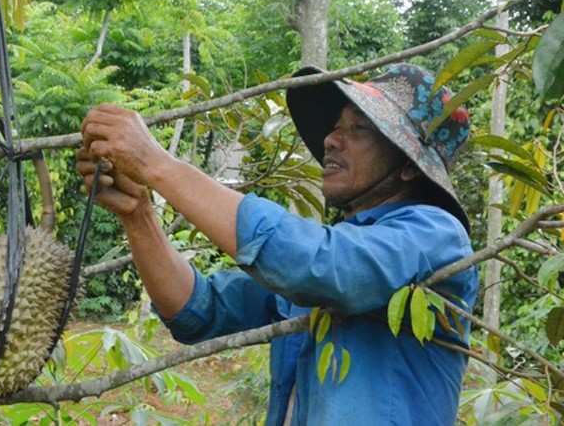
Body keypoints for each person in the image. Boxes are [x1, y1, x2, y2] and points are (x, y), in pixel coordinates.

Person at [77, 63, 479, 426]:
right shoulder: (342, 245)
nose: (332, 140)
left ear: (409, 165)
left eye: (360, 129)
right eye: (336, 126)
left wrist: (156, 164)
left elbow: (320, 266)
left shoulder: (435, 235)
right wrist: (139, 215)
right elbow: (197, 311)